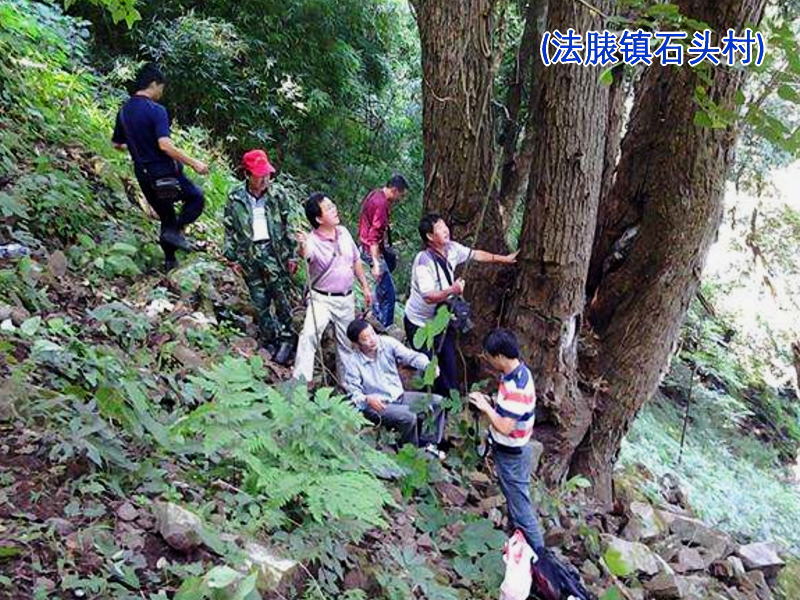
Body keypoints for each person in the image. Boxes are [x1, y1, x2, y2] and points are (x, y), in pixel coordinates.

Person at [403, 213, 519, 398]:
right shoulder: (423, 262)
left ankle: (449, 401)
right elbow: (428, 296)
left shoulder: (452, 249)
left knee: (448, 361)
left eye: (444, 225)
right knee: (428, 364)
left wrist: (503, 259)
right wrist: (453, 289)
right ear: (430, 237)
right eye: (439, 229)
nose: (445, 230)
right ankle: (430, 402)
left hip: (441, 320)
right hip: (419, 324)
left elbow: (475, 254)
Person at [112, 63, 208, 271]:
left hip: (143, 175)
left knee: (166, 215)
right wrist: (195, 163)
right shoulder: (156, 110)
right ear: (154, 84)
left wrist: (140, 146)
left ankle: (170, 262)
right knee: (196, 198)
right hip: (164, 173)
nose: (161, 93)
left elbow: (117, 144)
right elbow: (164, 145)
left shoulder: (124, 111)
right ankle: (175, 231)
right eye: (161, 88)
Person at [469, 329, 545, 552]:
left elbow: (504, 426)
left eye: (489, 356)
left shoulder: (516, 388)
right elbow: (509, 410)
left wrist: (485, 408)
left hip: (512, 452)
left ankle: (540, 558)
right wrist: (492, 401)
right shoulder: (518, 372)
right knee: (515, 499)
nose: (488, 360)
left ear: (500, 356)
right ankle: (518, 543)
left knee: (521, 507)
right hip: (512, 449)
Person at [223, 149, 297, 365]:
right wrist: (232, 256)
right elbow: (229, 228)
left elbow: (289, 225)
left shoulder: (278, 195)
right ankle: (270, 337)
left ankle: (287, 337)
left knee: (280, 295)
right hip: (249, 254)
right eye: (260, 175)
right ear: (247, 174)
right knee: (259, 299)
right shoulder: (235, 197)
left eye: (267, 174)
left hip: (275, 252)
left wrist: (292, 254)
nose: (265, 179)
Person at [292, 193, 372, 383]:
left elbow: (356, 260)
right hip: (321, 298)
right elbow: (307, 254)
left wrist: (366, 287)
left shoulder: (343, 232)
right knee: (310, 334)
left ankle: (349, 388)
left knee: (347, 344)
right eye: (328, 208)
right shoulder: (312, 240)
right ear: (319, 218)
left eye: (332, 205)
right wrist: (302, 245)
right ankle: (300, 382)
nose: (334, 209)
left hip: (346, 298)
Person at [344, 318, 445, 455]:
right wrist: (367, 399)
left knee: (438, 402)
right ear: (356, 344)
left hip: (399, 396)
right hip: (377, 405)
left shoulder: (387, 343)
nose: (372, 340)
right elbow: (353, 394)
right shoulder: (352, 362)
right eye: (365, 339)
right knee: (408, 417)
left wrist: (428, 366)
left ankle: (428, 444)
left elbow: (410, 356)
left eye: (372, 334)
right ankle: (410, 452)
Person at [357, 174, 408, 329]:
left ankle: (374, 323)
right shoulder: (381, 204)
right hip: (372, 252)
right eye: (401, 194)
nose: (400, 198)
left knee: (379, 293)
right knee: (388, 296)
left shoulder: (375, 194)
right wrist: (376, 262)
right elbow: (374, 236)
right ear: (394, 190)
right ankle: (384, 330)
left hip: (365, 246)